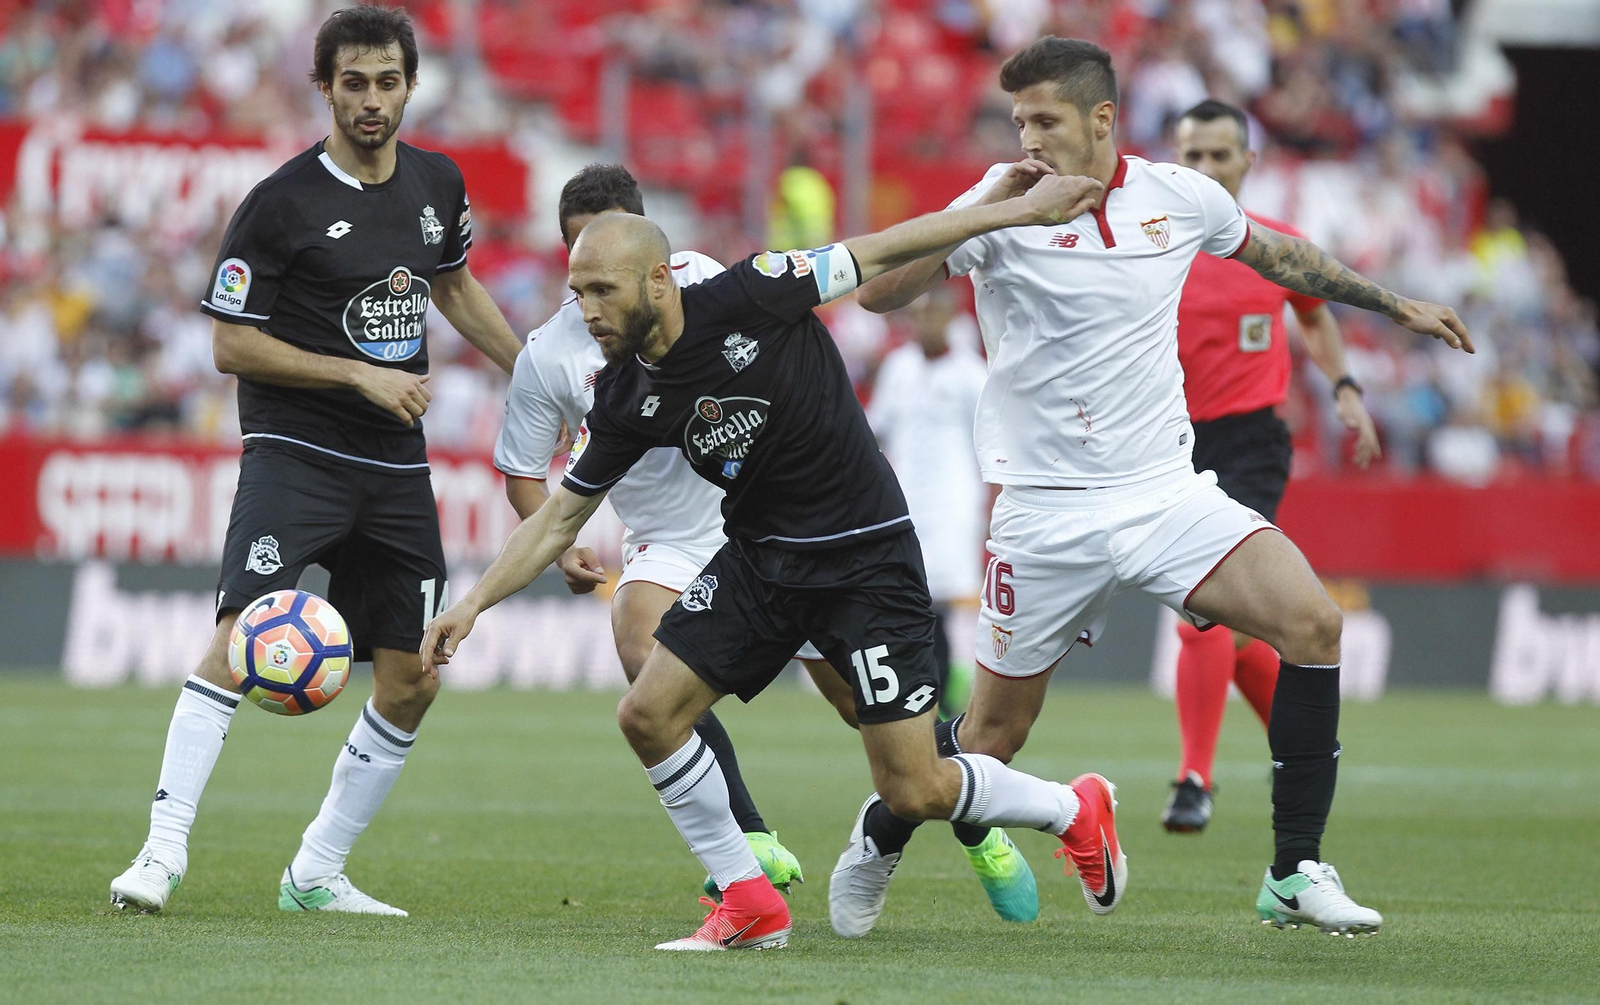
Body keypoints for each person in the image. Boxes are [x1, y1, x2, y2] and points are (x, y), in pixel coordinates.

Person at [846, 37, 1472, 937]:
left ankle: (1294, 870)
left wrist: (1394, 305)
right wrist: (988, 211)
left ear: (1101, 120)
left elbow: (1284, 261)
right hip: (1043, 512)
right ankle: (877, 839)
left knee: (1314, 623)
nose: (1028, 138)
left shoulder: (1178, 199)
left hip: (1162, 492)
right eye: (1019, 120)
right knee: (988, 741)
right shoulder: (997, 200)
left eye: (1046, 121)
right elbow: (882, 294)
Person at [421, 181, 1123, 952]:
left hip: (864, 557)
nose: (587, 310)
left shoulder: (756, 291)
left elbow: (887, 245)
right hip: (760, 560)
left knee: (914, 785)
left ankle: (1073, 806)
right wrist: (472, 603)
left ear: (659, 279)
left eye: (603, 290)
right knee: (647, 713)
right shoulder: (625, 396)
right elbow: (558, 514)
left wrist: (1021, 209)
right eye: (578, 290)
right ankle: (750, 897)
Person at [109, 5, 524, 917]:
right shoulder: (281, 202)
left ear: (411, 85)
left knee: (414, 674)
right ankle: (161, 851)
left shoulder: (437, 182)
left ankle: (316, 872)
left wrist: (532, 373)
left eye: (386, 81)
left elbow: (452, 283)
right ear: (323, 88)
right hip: (297, 451)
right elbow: (230, 344)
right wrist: (358, 374)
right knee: (237, 635)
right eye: (353, 83)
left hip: (395, 465)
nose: (371, 100)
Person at [495, 162, 830, 901]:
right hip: (669, 536)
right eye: (586, 257)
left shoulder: (705, 284)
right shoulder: (549, 353)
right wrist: (557, 540)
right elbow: (523, 467)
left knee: (861, 703)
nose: (600, 276)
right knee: (638, 639)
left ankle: (975, 816)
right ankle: (747, 840)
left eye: (620, 254)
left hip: (768, 514)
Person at [1160, 98, 1383, 833]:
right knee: (1250, 630)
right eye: (1192, 156)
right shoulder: (1152, 250)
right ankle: (1304, 747)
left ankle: (1194, 777)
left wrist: (1345, 388)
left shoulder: (1276, 248)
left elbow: (1315, 313)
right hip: (1167, 446)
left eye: (1220, 155)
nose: (1206, 169)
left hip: (1251, 443)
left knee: (1205, 608)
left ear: (1247, 163)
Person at [866, 288, 989, 714]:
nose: (922, 325)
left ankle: (959, 691)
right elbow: (877, 430)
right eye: (916, 316)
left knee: (953, 601)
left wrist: (992, 510)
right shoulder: (899, 368)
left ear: (949, 318)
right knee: (914, 598)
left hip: (955, 502)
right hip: (906, 502)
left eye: (930, 315)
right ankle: (924, 688)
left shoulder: (972, 375)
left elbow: (992, 446)